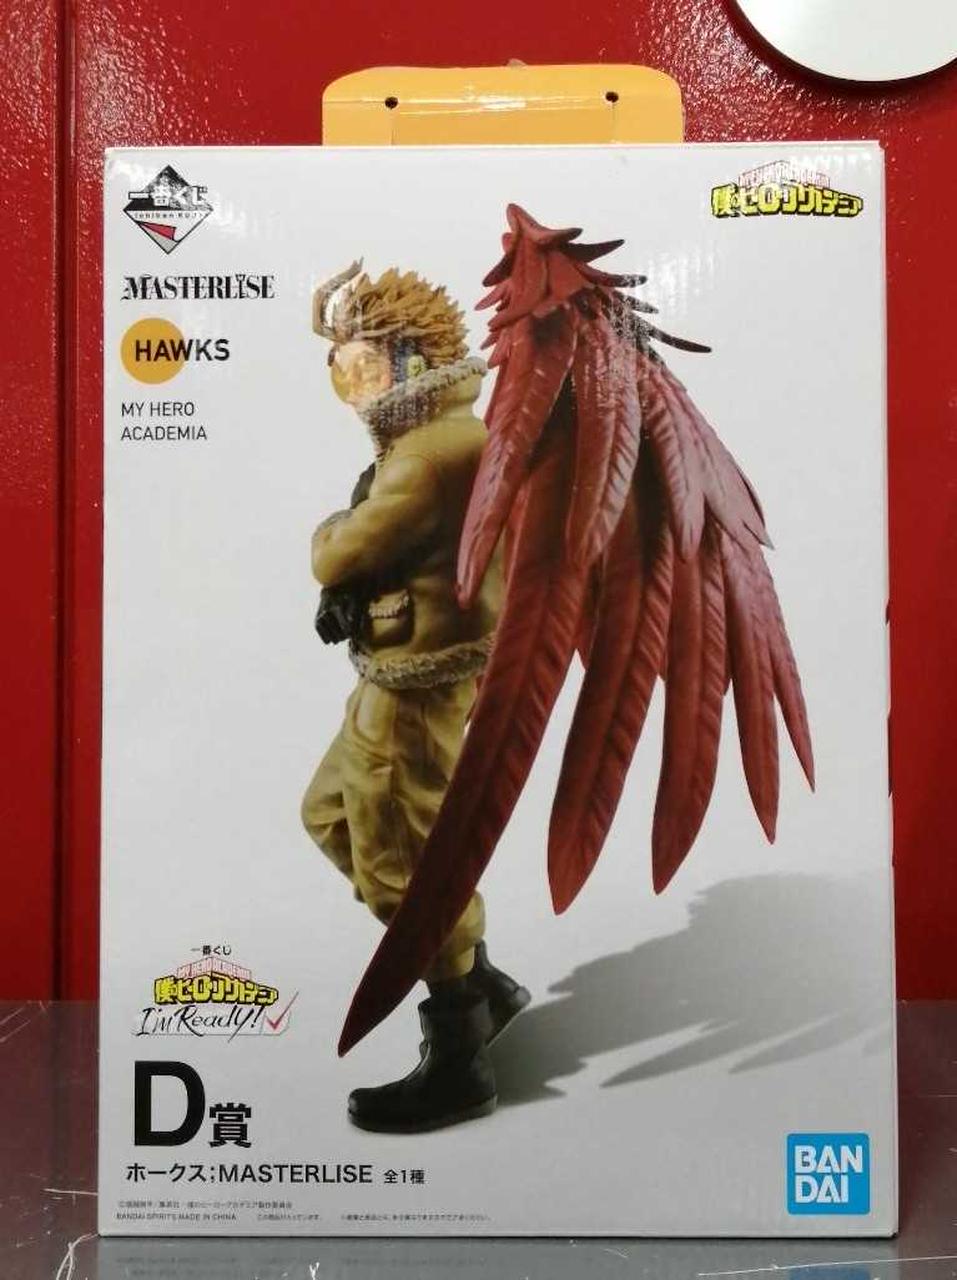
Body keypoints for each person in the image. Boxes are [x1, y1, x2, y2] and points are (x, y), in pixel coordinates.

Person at [301, 261, 530, 1132]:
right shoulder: (437, 433)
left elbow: (336, 555)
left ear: (411, 360)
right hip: (395, 666)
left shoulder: (428, 455)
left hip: (415, 682)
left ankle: (459, 1053)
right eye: (342, 372)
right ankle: (480, 979)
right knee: (331, 814)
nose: (354, 390)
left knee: (401, 868)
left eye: (364, 367)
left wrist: (329, 526)